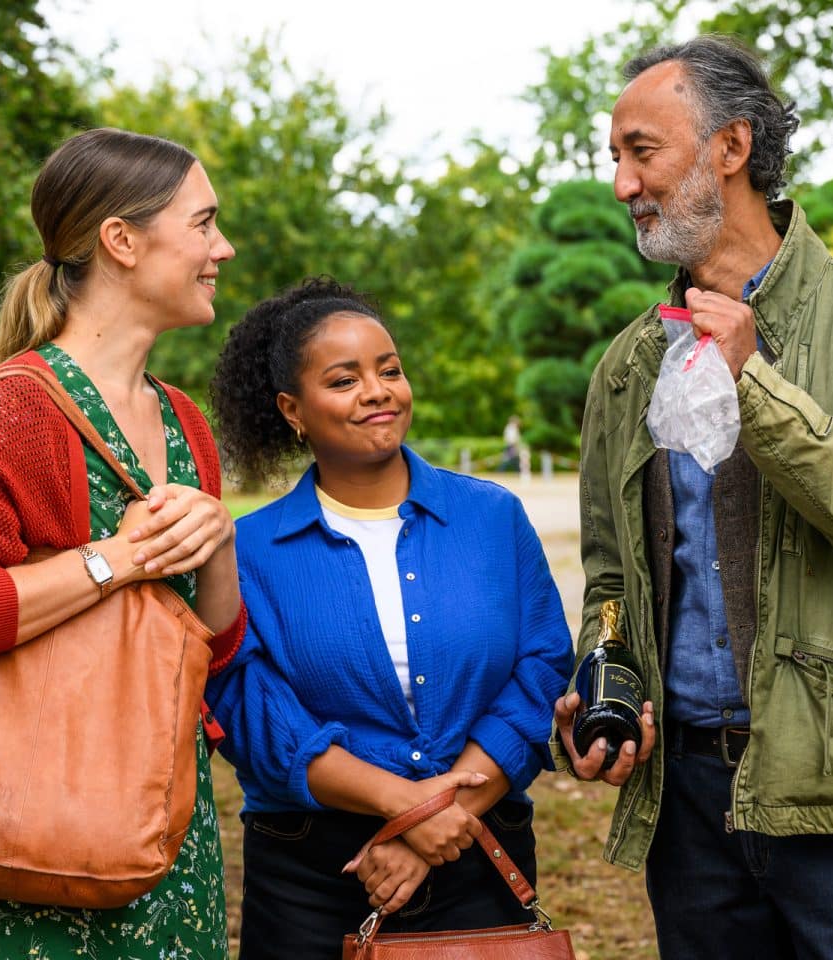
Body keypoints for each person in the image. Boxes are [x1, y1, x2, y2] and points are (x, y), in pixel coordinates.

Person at [551, 36, 833, 959]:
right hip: (689, 802)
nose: (622, 184)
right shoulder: (629, 366)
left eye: (641, 151)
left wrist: (756, 388)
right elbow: (612, 576)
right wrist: (603, 675)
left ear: (730, 148)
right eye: (615, 157)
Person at [0, 127, 246, 960]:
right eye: (202, 224)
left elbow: (214, 646)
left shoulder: (185, 419)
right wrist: (114, 559)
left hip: (163, 822)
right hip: (42, 823)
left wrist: (216, 546)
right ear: (122, 240)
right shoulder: (15, 410)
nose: (220, 248)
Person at [207, 277, 573, 959]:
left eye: (390, 370)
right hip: (313, 875)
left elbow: (543, 667)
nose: (378, 391)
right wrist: (407, 810)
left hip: (479, 848)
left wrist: (441, 818)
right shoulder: (247, 551)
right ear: (293, 409)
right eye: (345, 380)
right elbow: (249, 710)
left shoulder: (493, 518)